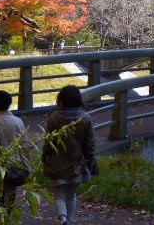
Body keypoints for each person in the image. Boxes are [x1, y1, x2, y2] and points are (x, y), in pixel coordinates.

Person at [42, 85, 96, 225]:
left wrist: (45, 155)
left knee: (59, 194)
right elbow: (90, 144)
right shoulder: (86, 118)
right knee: (71, 195)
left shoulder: (54, 118)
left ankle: (62, 218)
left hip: (57, 162)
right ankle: (70, 220)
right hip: (76, 163)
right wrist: (90, 160)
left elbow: (49, 141)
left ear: (61, 99)